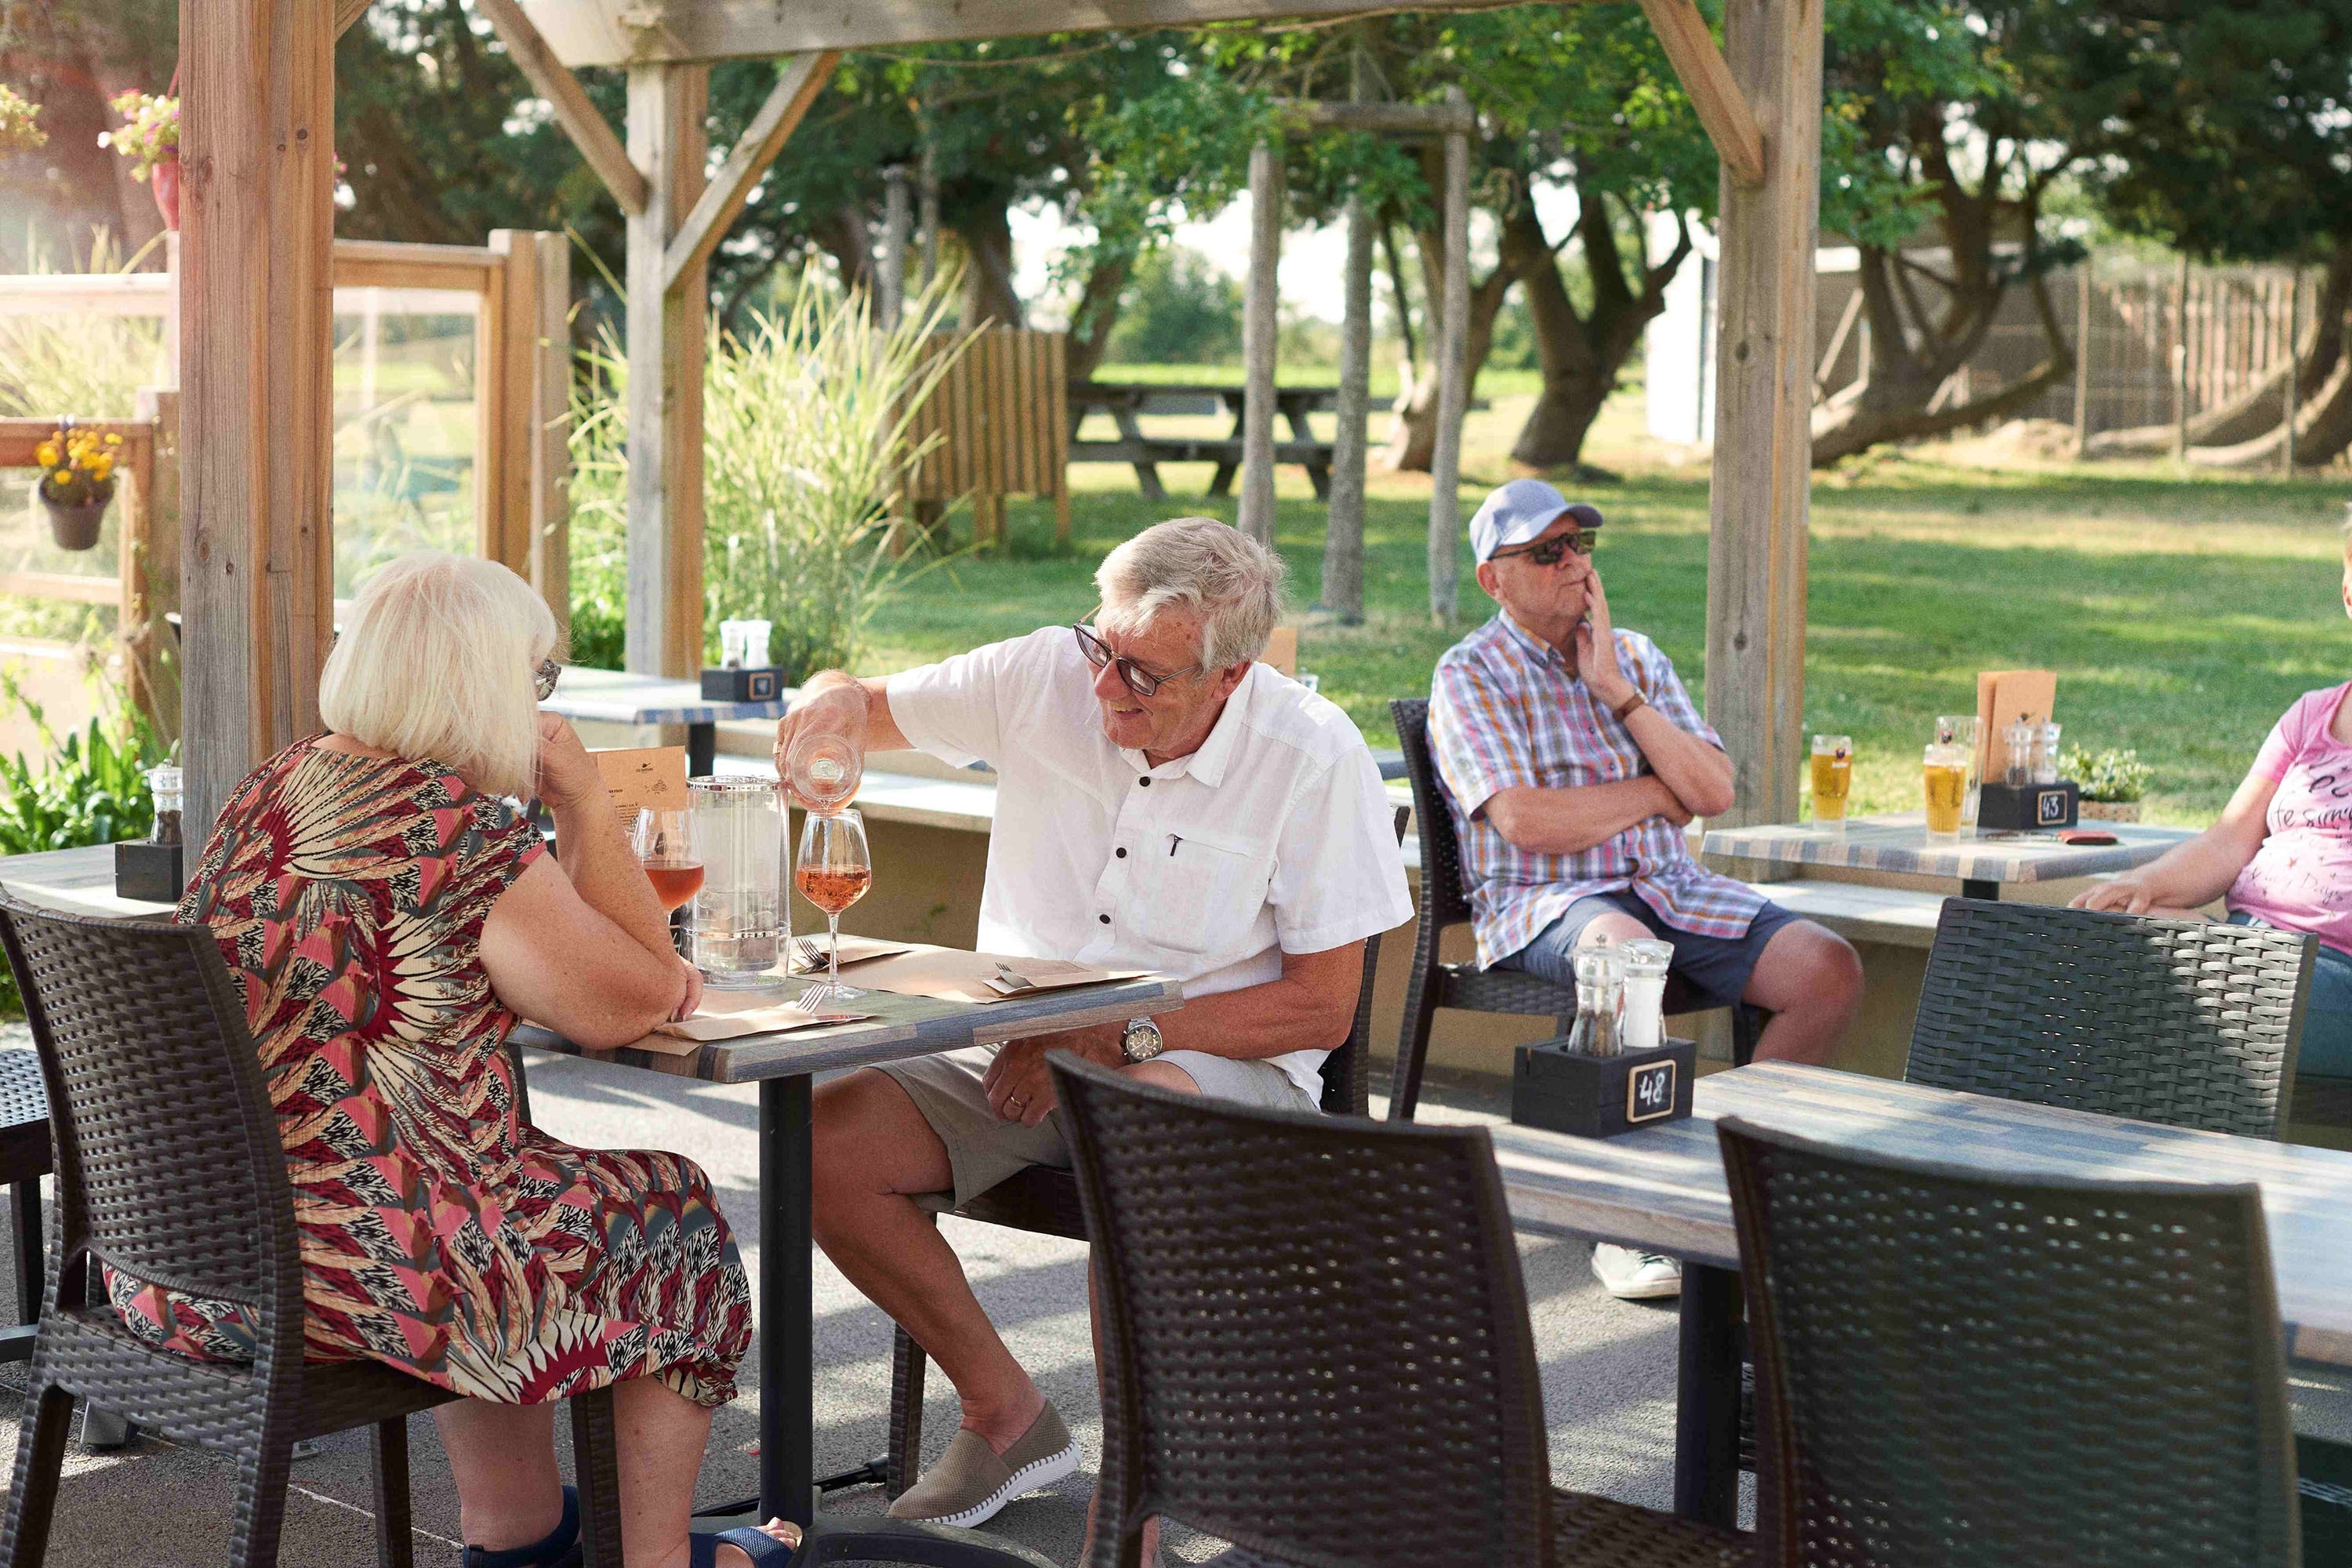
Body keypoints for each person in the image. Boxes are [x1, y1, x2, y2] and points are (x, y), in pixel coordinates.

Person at [121, 554, 797, 1568]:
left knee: (492, 1181)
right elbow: (641, 995)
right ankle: (652, 1560)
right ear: (484, 683)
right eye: (535, 676)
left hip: (184, 1261)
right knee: (673, 1214)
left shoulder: (274, 787)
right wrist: (585, 800)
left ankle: (521, 1537)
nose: (539, 700)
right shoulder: (457, 832)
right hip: (347, 1273)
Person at [779, 518, 1411, 1547]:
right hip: (1019, 1048)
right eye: (1102, 648)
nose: (1107, 687)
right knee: (820, 1136)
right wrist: (830, 712)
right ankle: (1005, 1413)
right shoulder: (1045, 673)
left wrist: (1111, 1036)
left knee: (1134, 1133)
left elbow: (1318, 1007)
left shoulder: (1312, 754)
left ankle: (1132, 1513)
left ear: (1231, 675)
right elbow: (861, 702)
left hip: (1210, 1068)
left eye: (1145, 675)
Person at [1426, 479, 1863, 1301]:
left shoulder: (1635, 657)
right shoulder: (1470, 673)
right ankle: (1629, 1223)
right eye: (1546, 551)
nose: (1572, 562)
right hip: (1544, 902)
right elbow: (1525, 821)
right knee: (1631, 960)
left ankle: (1730, 1181)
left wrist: (1617, 691)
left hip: (1669, 887)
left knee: (1826, 968)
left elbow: (1714, 790)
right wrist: (1655, 793)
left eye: (1579, 544)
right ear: (1493, 579)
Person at [2072, 522, 2352, 1083]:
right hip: (2249, 946)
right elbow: (2228, 840)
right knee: (2106, 932)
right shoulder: (2310, 716)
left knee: (2166, 994)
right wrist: (2144, 885)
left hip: (2334, 977)